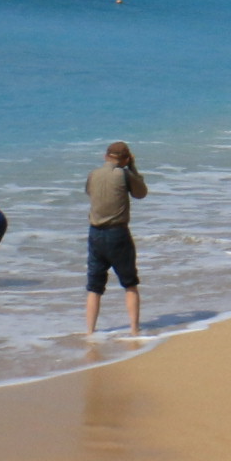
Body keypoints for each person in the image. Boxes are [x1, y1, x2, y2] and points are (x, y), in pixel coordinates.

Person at [85, 140, 148, 336]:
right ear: (126, 159)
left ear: (106, 156)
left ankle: (89, 331)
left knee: (94, 287)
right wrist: (133, 168)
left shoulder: (93, 174)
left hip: (94, 233)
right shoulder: (124, 174)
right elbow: (141, 193)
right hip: (117, 233)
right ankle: (134, 329)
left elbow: (89, 192)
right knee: (129, 283)